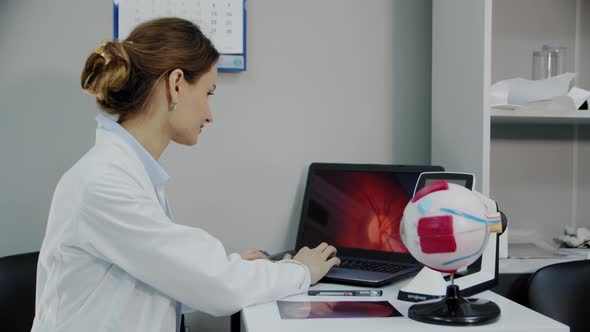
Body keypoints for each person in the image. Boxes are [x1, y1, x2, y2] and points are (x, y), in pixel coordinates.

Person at [32, 17, 340, 332]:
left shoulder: (127, 172)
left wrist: (225, 268)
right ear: (176, 83)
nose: (210, 115)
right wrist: (301, 270)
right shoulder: (104, 183)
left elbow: (156, 271)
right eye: (209, 93)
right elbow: (219, 287)